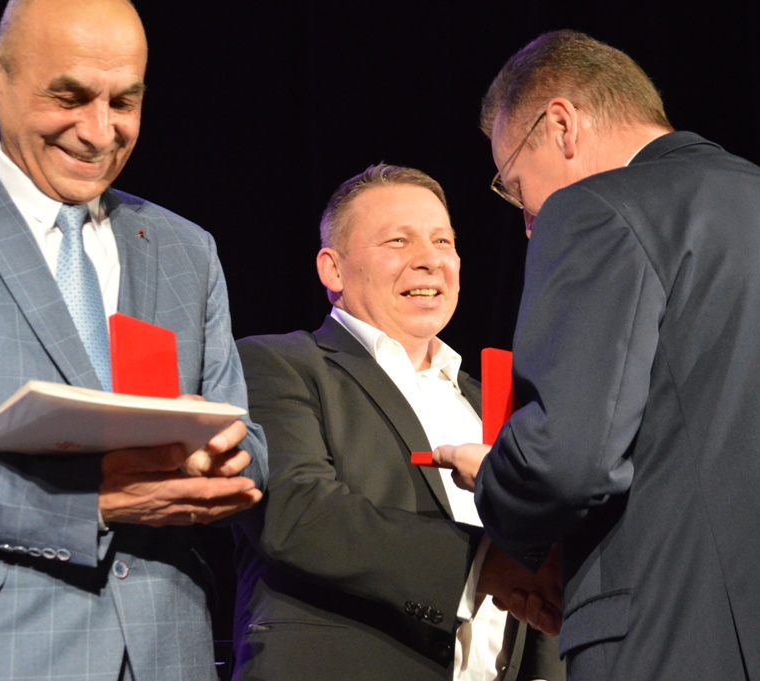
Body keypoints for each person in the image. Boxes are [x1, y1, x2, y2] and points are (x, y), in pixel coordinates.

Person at [0, 1, 267, 679]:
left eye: (124, 102)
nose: (99, 131)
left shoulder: (185, 249)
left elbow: (248, 446)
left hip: (164, 653)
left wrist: (219, 460)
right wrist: (88, 503)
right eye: (69, 97)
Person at [433, 29, 760, 680]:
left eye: (515, 185)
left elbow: (565, 464)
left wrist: (499, 480)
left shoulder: (592, 209)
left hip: (683, 639)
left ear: (561, 125)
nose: (528, 221)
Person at [231, 164, 564, 681]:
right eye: (398, 241)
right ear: (333, 270)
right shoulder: (277, 364)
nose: (430, 260)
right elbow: (295, 512)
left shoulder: (493, 399)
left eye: (443, 241)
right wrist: (479, 565)